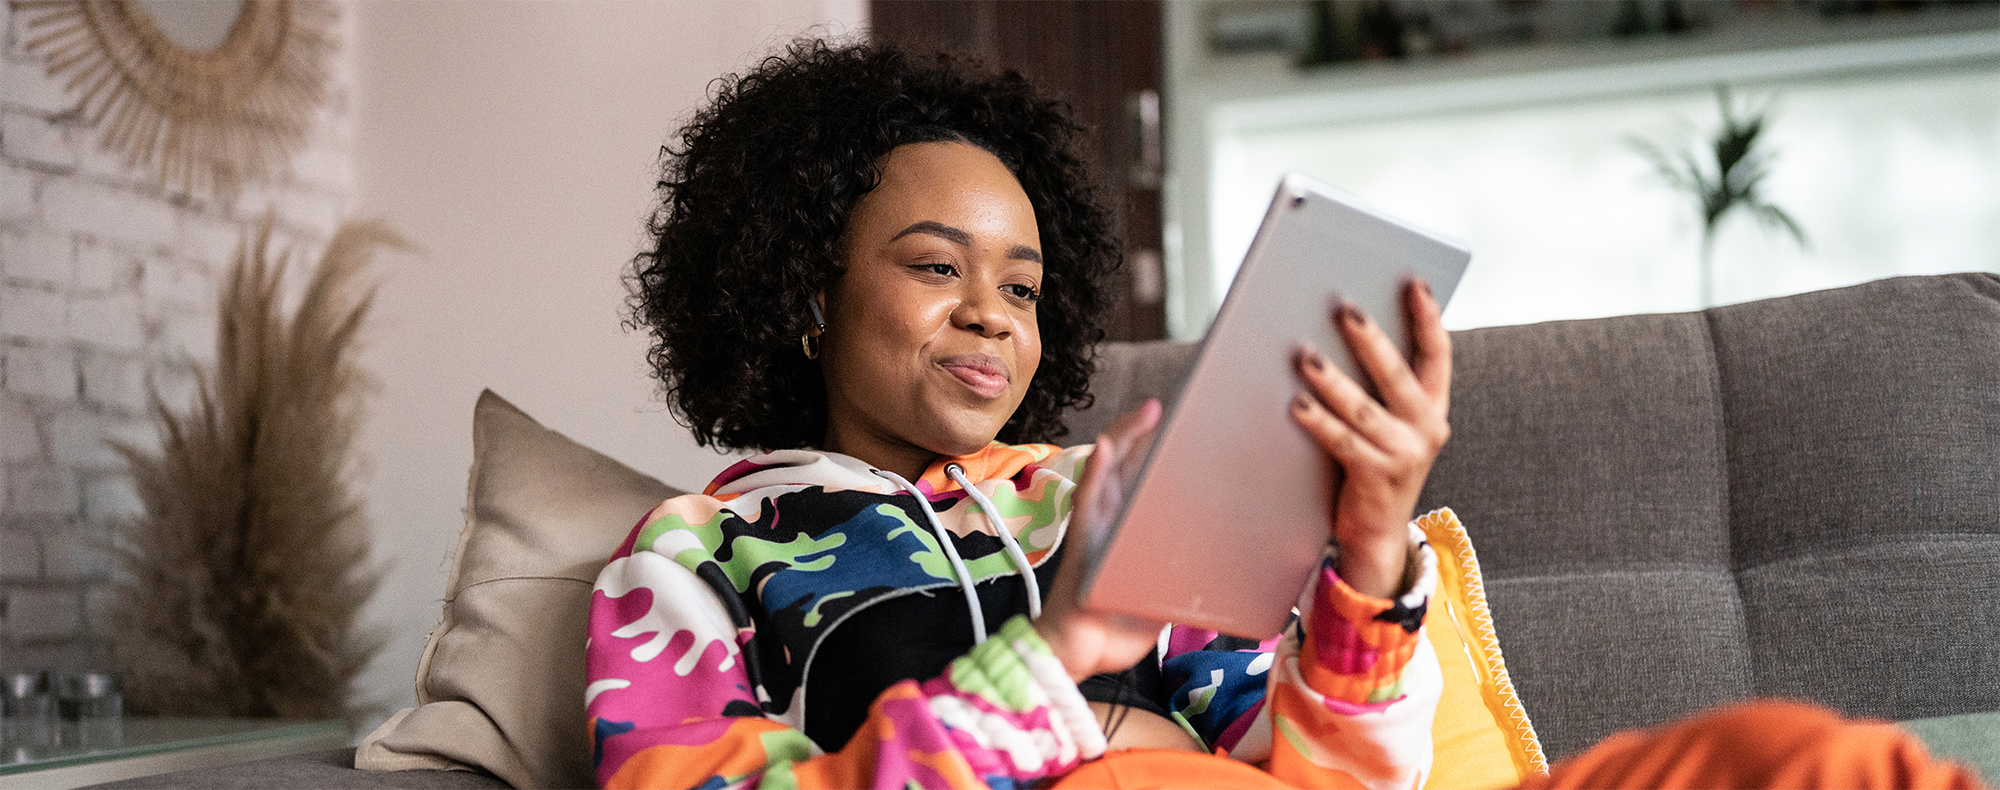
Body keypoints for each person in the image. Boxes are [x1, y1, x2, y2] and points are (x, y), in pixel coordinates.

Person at [587, 38, 1987, 790]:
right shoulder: (701, 552)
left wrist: (1371, 555)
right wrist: (1060, 658)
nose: (994, 315)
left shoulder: (1100, 486)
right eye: (936, 268)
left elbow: (1340, 774)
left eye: (1021, 283)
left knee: (1809, 756)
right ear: (801, 292)